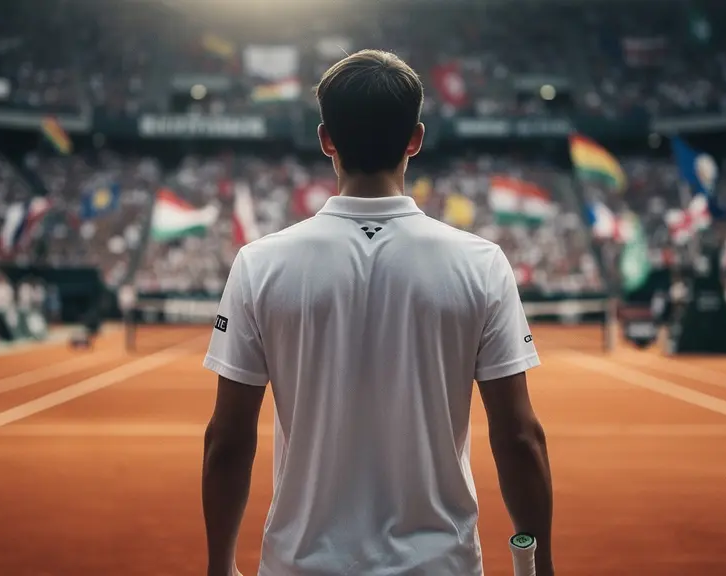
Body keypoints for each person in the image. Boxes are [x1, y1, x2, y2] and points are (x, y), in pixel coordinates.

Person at [202, 49, 553, 576]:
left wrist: (218, 566)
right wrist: (539, 563)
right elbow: (519, 437)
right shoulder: (482, 264)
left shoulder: (259, 264)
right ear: (415, 138)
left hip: (302, 565)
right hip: (441, 565)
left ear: (326, 140)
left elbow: (227, 440)